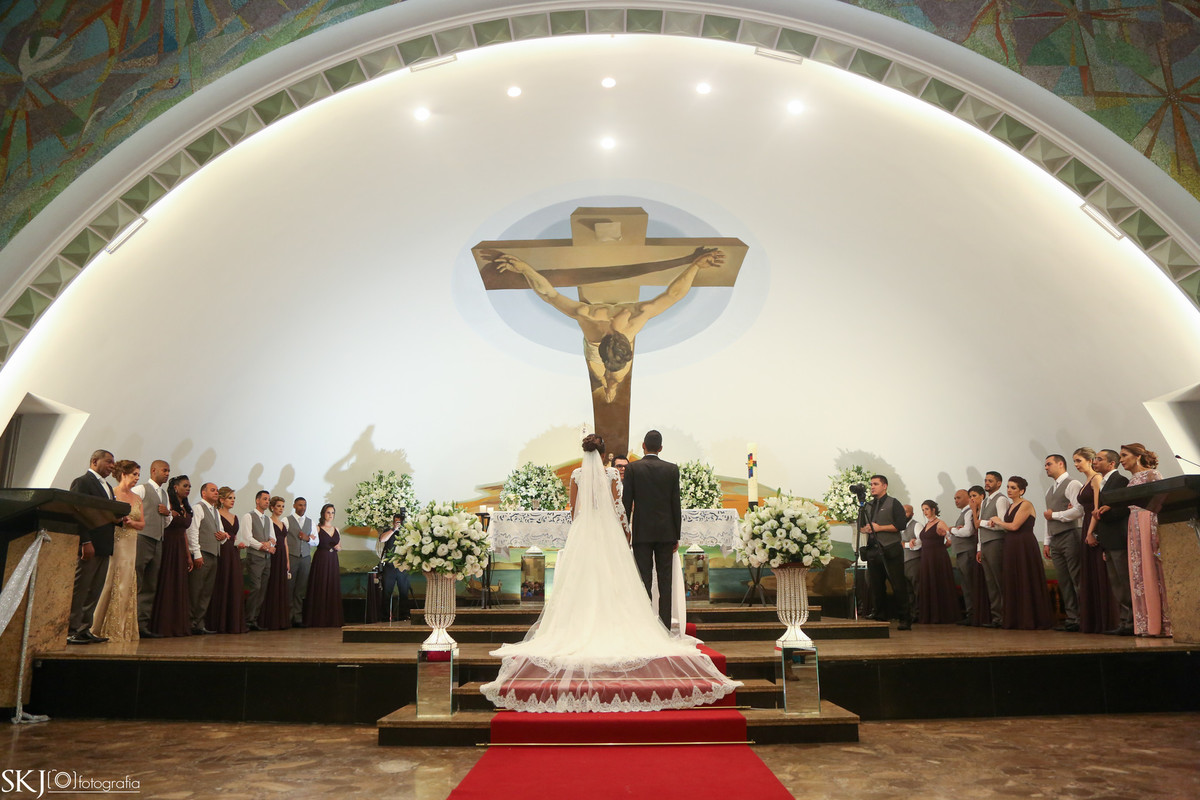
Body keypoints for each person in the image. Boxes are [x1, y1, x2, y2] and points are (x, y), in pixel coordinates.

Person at [480, 433, 740, 712]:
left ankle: (579, 624)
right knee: (620, 580)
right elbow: (620, 508)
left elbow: (574, 511)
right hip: (612, 533)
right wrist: (624, 532)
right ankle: (650, 625)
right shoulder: (614, 475)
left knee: (582, 581)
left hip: (584, 533)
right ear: (604, 455)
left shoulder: (577, 475)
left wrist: (584, 528)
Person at [491, 250, 725, 403]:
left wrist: (696, 265)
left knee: (617, 377)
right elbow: (549, 295)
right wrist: (525, 269)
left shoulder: (621, 319)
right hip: (595, 350)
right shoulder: (596, 321)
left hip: (607, 349)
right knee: (598, 374)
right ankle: (606, 383)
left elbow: (674, 295)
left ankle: (611, 386)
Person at [621, 429, 681, 629]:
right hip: (666, 533)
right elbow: (675, 504)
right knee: (665, 582)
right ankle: (664, 627)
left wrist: (625, 531)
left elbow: (626, 502)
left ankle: (645, 626)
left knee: (643, 581)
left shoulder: (633, 468)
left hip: (642, 533)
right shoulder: (672, 469)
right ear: (661, 448)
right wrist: (676, 535)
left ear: (643, 446)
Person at [1120, 443, 1172, 638]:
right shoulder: (1132, 480)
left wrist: (1156, 531)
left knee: (1153, 568)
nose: (1121, 460)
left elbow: (1162, 501)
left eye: (1124, 455)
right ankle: (1147, 623)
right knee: (1139, 571)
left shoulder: (1152, 474)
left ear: (1137, 456)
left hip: (1149, 520)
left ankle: (1163, 624)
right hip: (1134, 523)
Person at [68, 449, 118, 645]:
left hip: (104, 545)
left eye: (113, 462)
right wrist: (85, 541)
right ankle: (70, 629)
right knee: (81, 588)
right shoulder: (82, 482)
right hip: (90, 544)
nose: (112, 466)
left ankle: (84, 628)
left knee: (94, 589)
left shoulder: (108, 486)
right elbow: (76, 512)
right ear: (95, 461)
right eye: (109, 461)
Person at [990, 476, 1054, 630]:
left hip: (1024, 544)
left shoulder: (1026, 504)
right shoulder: (1011, 505)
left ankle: (1030, 618)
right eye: (1008, 487)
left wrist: (998, 521)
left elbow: (1014, 526)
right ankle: (1016, 619)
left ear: (1022, 491)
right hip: (1011, 544)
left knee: (1026, 577)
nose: (1009, 490)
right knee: (1012, 578)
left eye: (1013, 488)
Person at [91, 460, 144, 643]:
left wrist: (131, 522)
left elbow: (142, 524)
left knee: (127, 581)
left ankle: (120, 628)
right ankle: (99, 626)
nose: (137, 478)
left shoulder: (137, 498)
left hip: (131, 542)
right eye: (134, 474)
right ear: (123, 474)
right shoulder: (111, 493)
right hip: (116, 539)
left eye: (138, 475)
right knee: (111, 580)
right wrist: (118, 520)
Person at [857, 474, 911, 630]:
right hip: (873, 550)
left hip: (890, 549)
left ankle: (905, 618)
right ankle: (880, 614)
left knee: (898, 585)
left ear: (885, 486)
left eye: (876, 484)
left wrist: (880, 528)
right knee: (876, 585)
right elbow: (861, 525)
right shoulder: (867, 505)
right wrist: (865, 529)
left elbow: (901, 525)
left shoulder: (893, 503)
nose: (872, 487)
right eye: (871, 484)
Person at [1074, 448, 1118, 634]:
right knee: (1091, 573)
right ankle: (1094, 620)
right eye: (1074, 461)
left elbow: (1097, 508)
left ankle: (1108, 620)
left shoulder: (1096, 479)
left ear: (1090, 460)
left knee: (1100, 572)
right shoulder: (1087, 481)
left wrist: (1091, 532)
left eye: (1078, 460)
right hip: (1086, 523)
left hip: (1094, 525)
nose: (1076, 464)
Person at [1093, 450, 1133, 636]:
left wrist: (1104, 512)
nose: (1095, 461)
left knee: (1125, 582)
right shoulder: (1103, 482)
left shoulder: (1120, 480)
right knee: (1116, 584)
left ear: (1111, 463)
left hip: (1118, 537)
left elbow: (1125, 508)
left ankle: (1131, 622)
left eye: (1099, 459)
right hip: (1108, 539)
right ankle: (1124, 621)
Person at [1042, 454, 1083, 631]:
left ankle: (1084, 616)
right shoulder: (1049, 491)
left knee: (1077, 577)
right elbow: (1047, 518)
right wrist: (1047, 541)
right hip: (1056, 537)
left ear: (1060, 464)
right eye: (1045, 465)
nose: (1046, 467)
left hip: (1071, 534)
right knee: (1064, 580)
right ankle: (1072, 618)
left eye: (1048, 464)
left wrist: (1056, 515)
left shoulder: (1073, 484)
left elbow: (1078, 510)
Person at [131, 459, 171, 638]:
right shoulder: (141, 489)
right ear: (153, 470)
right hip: (142, 538)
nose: (167, 474)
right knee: (136, 581)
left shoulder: (165, 494)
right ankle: (129, 623)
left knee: (150, 584)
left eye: (168, 471)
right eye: (164, 470)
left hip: (158, 541)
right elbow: (129, 510)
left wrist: (167, 514)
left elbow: (167, 522)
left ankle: (142, 624)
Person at [151, 475, 193, 637]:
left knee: (179, 583)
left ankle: (177, 624)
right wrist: (169, 513)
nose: (188, 489)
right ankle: (163, 624)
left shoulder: (186, 507)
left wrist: (188, 555)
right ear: (175, 487)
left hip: (180, 547)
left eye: (189, 486)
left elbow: (184, 533)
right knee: (167, 581)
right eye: (185, 486)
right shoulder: (168, 501)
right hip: (168, 545)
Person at [207, 486, 248, 634]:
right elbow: (215, 533)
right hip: (222, 552)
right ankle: (219, 622)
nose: (233, 501)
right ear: (222, 499)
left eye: (234, 498)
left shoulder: (235, 516)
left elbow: (235, 537)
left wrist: (239, 544)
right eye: (230, 498)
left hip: (234, 552)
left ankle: (232, 622)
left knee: (234, 584)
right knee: (222, 583)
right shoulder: (216, 514)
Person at [186, 482, 224, 635]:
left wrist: (223, 537)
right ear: (203, 493)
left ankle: (199, 623)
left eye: (217, 490)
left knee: (206, 591)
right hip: (203, 555)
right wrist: (197, 554)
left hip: (214, 555)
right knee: (196, 590)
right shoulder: (198, 508)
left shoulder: (215, 511)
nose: (216, 493)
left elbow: (221, 533)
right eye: (212, 490)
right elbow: (192, 531)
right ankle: (190, 623)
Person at [975, 471, 1010, 629]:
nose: (987, 483)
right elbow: (981, 528)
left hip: (997, 542)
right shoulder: (984, 502)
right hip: (985, 544)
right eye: (986, 480)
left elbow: (1001, 524)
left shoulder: (1001, 499)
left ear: (999, 483)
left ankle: (1006, 615)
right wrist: (979, 547)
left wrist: (982, 522)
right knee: (990, 582)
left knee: (999, 580)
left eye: (990, 480)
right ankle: (997, 617)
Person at [916, 500, 959, 624]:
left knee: (938, 582)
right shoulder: (927, 524)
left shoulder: (940, 523)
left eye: (927, 509)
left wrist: (944, 541)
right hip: (926, 557)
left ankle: (941, 614)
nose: (925, 512)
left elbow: (950, 539)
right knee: (928, 581)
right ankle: (929, 614)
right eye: (923, 510)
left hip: (937, 556)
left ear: (933, 509)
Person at [239, 490, 276, 630]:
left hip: (267, 559)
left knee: (262, 589)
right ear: (257, 500)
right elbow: (247, 538)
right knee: (255, 587)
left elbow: (273, 538)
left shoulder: (268, 520)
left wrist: (269, 544)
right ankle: (248, 619)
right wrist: (264, 546)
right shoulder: (248, 516)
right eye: (265, 499)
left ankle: (254, 619)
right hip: (255, 557)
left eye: (268, 499)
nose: (267, 501)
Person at [304, 503, 344, 628]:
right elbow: (313, 542)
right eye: (328, 512)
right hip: (321, 558)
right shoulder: (317, 528)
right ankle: (318, 618)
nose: (330, 515)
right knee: (321, 584)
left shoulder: (336, 529)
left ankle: (331, 618)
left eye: (332, 513)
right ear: (323, 514)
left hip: (333, 559)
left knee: (332, 585)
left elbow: (340, 546)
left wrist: (338, 548)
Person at [259, 496, 292, 630]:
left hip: (282, 556)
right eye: (278, 506)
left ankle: (280, 620)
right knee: (272, 584)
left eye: (283, 506)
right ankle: (269, 619)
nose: (281, 509)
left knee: (281, 585)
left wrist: (287, 561)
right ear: (272, 507)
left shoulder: (283, 524)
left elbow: (285, 543)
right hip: (273, 555)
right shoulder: (268, 521)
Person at [947, 489, 978, 625]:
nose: (956, 500)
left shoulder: (969, 512)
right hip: (962, 552)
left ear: (968, 498)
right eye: (954, 498)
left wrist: (952, 529)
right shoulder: (963, 513)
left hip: (967, 552)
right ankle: (971, 613)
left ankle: (974, 614)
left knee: (969, 584)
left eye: (959, 497)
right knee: (965, 584)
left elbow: (967, 532)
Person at [376, 512, 412, 622]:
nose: (398, 524)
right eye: (396, 522)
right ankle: (385, 617)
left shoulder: (407, 532)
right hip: (390, 566)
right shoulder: (389, 531)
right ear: (393, 522)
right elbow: (382, 539)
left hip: (402, 566)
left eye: (400, 522)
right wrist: (394, 529)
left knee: (404, 592)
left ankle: (404, 616)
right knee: (386, 592)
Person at [286, 497, 316, 627]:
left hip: (305, 558)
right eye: (300, 505)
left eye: (304, 505)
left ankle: (297, 617)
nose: (303, 507)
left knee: (300, 588)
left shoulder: (310, 522)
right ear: (294, 506)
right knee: (289, 587)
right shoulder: (286, 520)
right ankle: (287, 617)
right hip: (291, 557)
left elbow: (316, 541)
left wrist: (307, 538)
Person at [966, 485, 992, 626]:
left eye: (974, 496)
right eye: (970, 496)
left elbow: (977, 525)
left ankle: (993, 615)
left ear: (982, 496)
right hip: (978, 546)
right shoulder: (975, 511)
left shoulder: (984, 509)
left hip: (989, 543)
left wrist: (974, 511)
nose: (972, 499)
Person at [900, 505, 921, 619]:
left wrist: (905, 545)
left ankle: (918, 613)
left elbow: (920, 543)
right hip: (902, 562)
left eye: (906, 512)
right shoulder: (899, 527)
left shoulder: (917, 525)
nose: (903, 514)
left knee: (916, 588)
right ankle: (911, 614)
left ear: (912, 514)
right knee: (907, 591)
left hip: (914, 561)